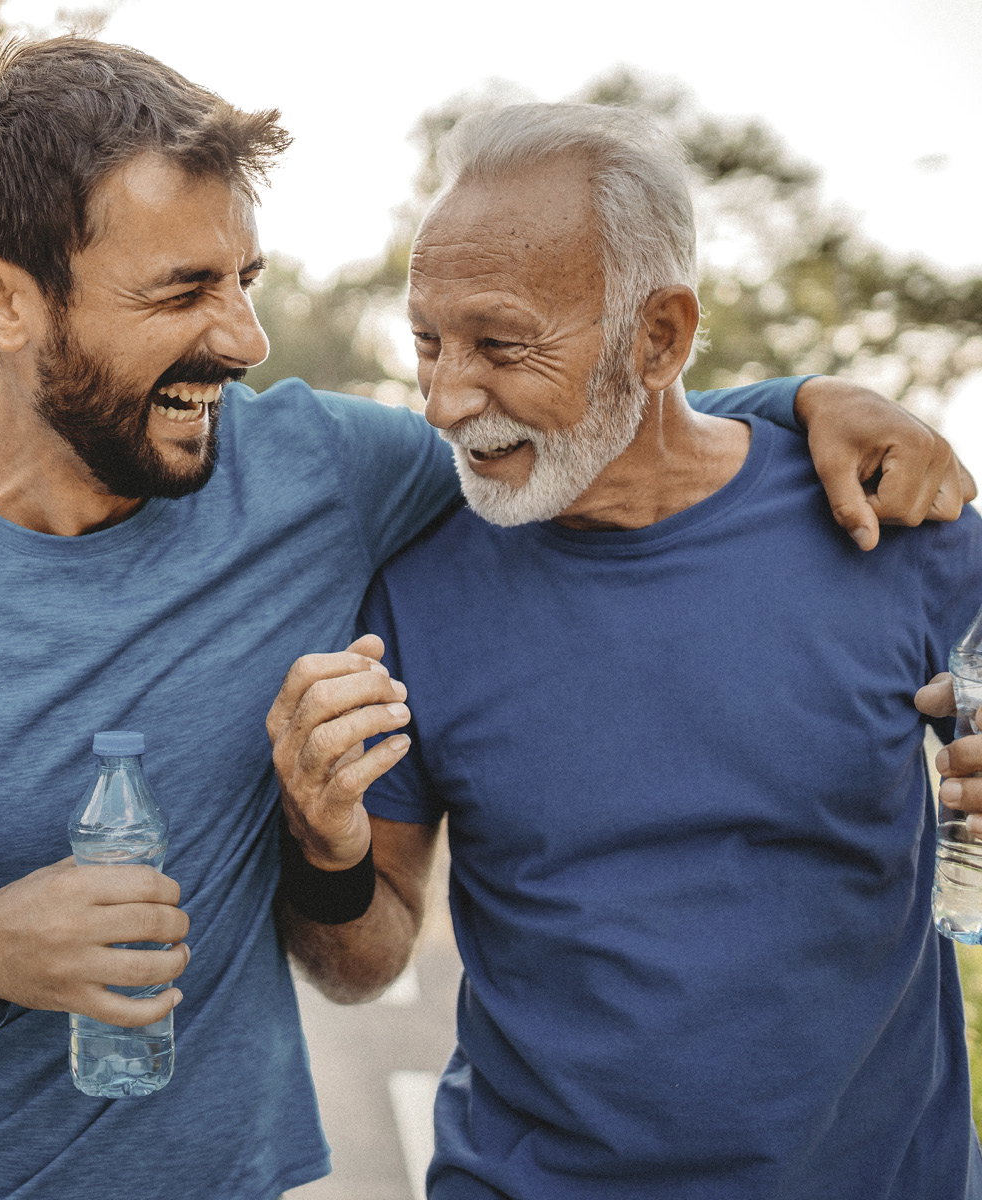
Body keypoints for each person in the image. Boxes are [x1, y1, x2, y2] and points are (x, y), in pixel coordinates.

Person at [0, 35, 970, 1200]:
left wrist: (815, 401)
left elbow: (590, 427)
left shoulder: (317, 472)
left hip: (237, 1179)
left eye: (242, 281)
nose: (243, 340)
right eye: (182, 290)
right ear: (1, 298)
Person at [267, 101, 982, 1199]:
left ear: (659, 337)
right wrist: (325, 849)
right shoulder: (414, 585)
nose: (445, 398)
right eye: (426, 340)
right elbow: (364, 964)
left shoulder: (888, 520)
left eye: (501, 344)